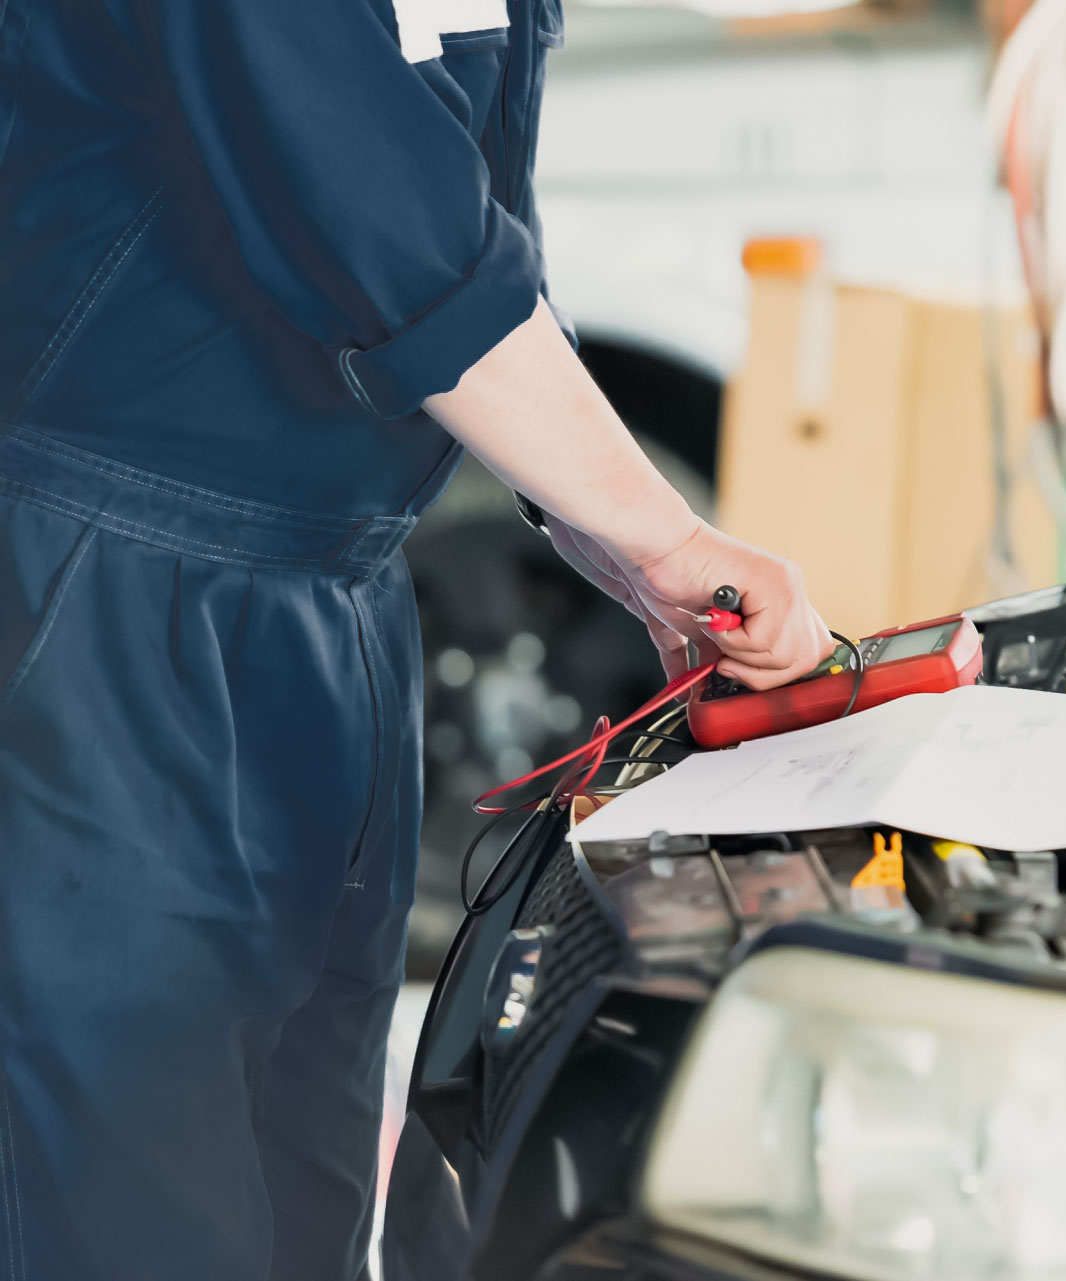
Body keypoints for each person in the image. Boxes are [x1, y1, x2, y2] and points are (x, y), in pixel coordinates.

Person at [0, 2, 832, 1277]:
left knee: (305, 1191)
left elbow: (467, 191)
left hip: (334, 582)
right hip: (101, 581)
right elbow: (382, 213)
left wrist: (599, 534)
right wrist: (668, 540)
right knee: (128, 1200)